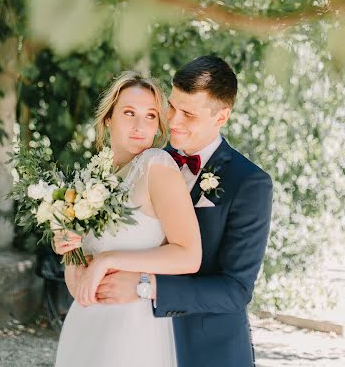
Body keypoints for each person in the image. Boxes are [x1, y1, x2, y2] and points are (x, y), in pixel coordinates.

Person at [89, 55, 273, 367]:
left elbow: (235, 290)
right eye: (172, 107)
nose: (173, 121)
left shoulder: (250, 183)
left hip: (207, 351)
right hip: (137, 340)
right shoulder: (147, 161)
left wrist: (145, 286)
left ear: (221, 116)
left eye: (188, 114)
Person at [53, 71, 202, 367]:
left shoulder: (157, 167)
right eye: (129, 113)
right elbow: (79, 274)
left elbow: (189, 255)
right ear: (108, 118)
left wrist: (108, 260)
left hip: (131, 328)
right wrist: (68, 248)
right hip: (86, 322)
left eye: (150, 116)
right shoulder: (94, 177)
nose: (140, 126)